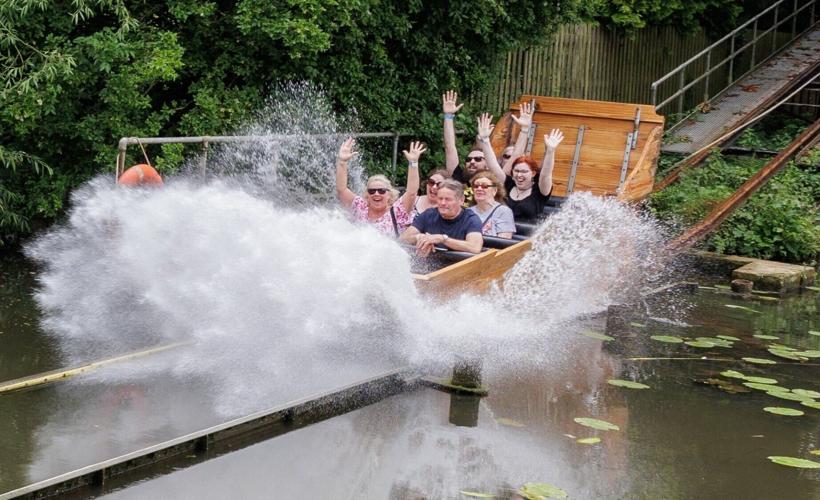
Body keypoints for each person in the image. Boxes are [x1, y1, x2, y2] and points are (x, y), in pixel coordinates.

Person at [475, 112, 564, 221]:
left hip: (526, 235)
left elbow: (546, 174)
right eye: (516, 171)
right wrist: (485, 140)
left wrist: (550, 151)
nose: (519, 174)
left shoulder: (540, 190)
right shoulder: (508, 184)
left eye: (524, 171)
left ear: (533, 173)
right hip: (500, 233)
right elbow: (493, 165)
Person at [335, 138, 425, 236]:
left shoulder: (397, 211)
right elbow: (342, 189)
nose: (376, 194)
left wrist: (413, 163)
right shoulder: (360, 207)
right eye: (372, 191)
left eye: (381, 191)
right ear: (367, 195)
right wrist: (342, 162)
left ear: (389, 195)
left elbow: (412, 193)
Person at [442, 90, 535, 185]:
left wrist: (524, 129)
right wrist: (448, 116)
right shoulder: (459, 178)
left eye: (478, 159)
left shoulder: (497, 181)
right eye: (468, 159)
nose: (472, 161)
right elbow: (450, 147)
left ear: (488, 164)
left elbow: (516, 155)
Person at [399, 179, 483, 257]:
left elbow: (475, 247)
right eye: (440, 199)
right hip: (429, 268)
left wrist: (442, 239)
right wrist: (420, 238)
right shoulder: (428, 214)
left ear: (461, 200)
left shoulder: (471, 219)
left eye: (448, 199)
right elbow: (402, 238)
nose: (443, 203)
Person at [468, 172, 515, 238]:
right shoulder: (467, 212)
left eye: (485, 186)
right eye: (476, 186)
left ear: (494, 190)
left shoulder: (504, 211)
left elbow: (504, 241)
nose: (479, 189)